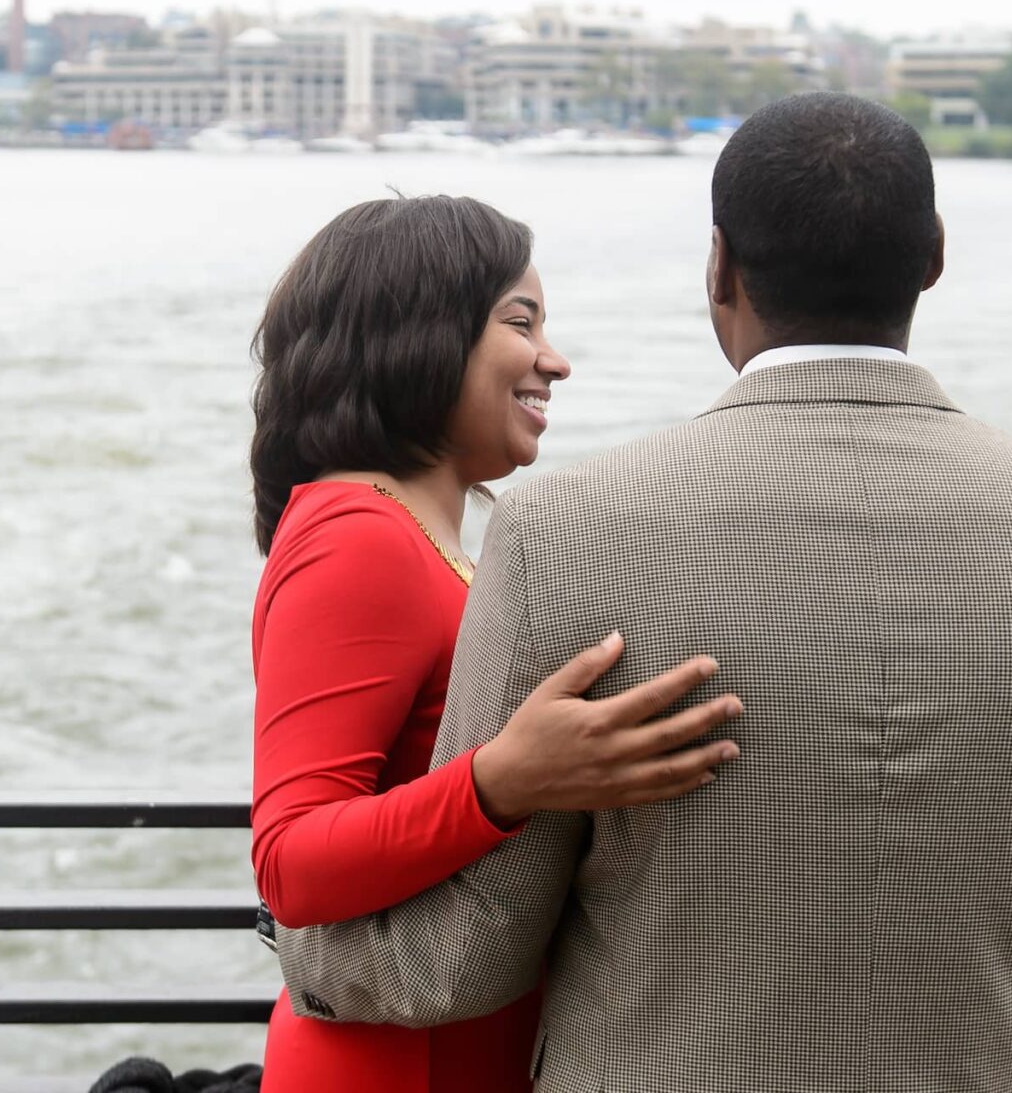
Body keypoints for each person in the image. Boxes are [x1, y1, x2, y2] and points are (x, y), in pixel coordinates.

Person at [276, 94, 1012, 1093]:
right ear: (931, 256)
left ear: (719, 266)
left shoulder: (561, 531)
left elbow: (476, 947)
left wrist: (309, 960)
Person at [250, 194, 744, 1093]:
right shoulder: (356, 537)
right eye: (522, 323)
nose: (554, 359)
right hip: (400, 1067)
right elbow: (292, 860)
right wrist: (503, 781)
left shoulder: (416, 536)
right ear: (422, 332)